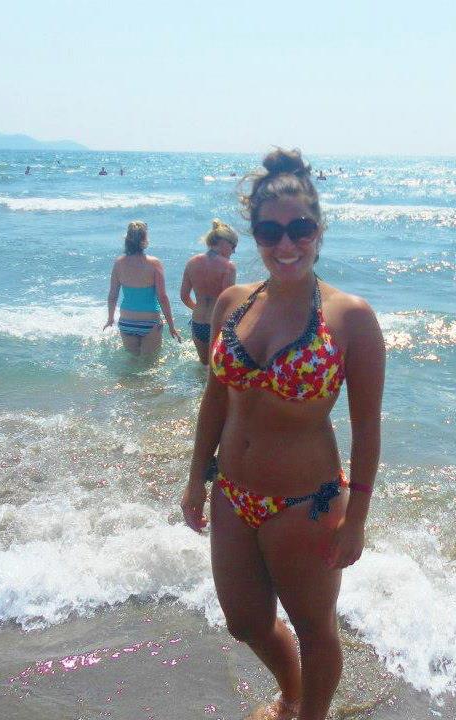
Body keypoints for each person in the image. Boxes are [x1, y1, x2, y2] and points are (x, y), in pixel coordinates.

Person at [181, 149, 384, 720]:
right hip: (232, 492)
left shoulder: (350, 318)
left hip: (305, 502)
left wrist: (358, 517)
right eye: (270, 231)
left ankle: (309, 713)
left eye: (300, 228)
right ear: (255, 235)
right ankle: (291, 695)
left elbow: (367, 427)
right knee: (244, 622)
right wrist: (196, 478)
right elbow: (215, 397)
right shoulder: (232, 302)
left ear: (319, 230)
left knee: (315, 628)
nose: (286, 243)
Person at [104, 221, 181, 355]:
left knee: (132, 362)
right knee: (151, 363)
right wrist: (171, 326)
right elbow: (162, 297)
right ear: (144, 240)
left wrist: (110, 318)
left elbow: (113, 295)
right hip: (149, 321)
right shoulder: (154, 263)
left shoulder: (119, 263)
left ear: (127, 239)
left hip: (126, 321)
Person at [180, 219, 238, 364]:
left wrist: (198, 308)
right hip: (217, 324)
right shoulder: (228, 267)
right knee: (217, 366)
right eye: (233, 246)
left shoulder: (192, 262)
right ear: (224, 243)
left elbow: (184, 296)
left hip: (197, 323)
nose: (234, 251)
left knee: (203, 365)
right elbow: (227, 300)